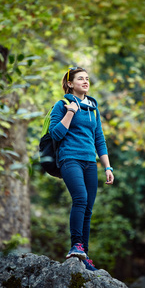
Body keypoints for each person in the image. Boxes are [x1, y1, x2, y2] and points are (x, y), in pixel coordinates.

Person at [49, 67, 114, 271]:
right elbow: (55, 134)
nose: (85, 81)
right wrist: (69, 113)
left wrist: (107, 167)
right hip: (70, 159)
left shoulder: (93, 108)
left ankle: (83, 256)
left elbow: (99, 140)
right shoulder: (62, 105)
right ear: (70, 83)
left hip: (89, 162)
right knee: (80, 199)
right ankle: (75, 246)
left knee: (88, 208)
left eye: (87, 78)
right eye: (80, 79)